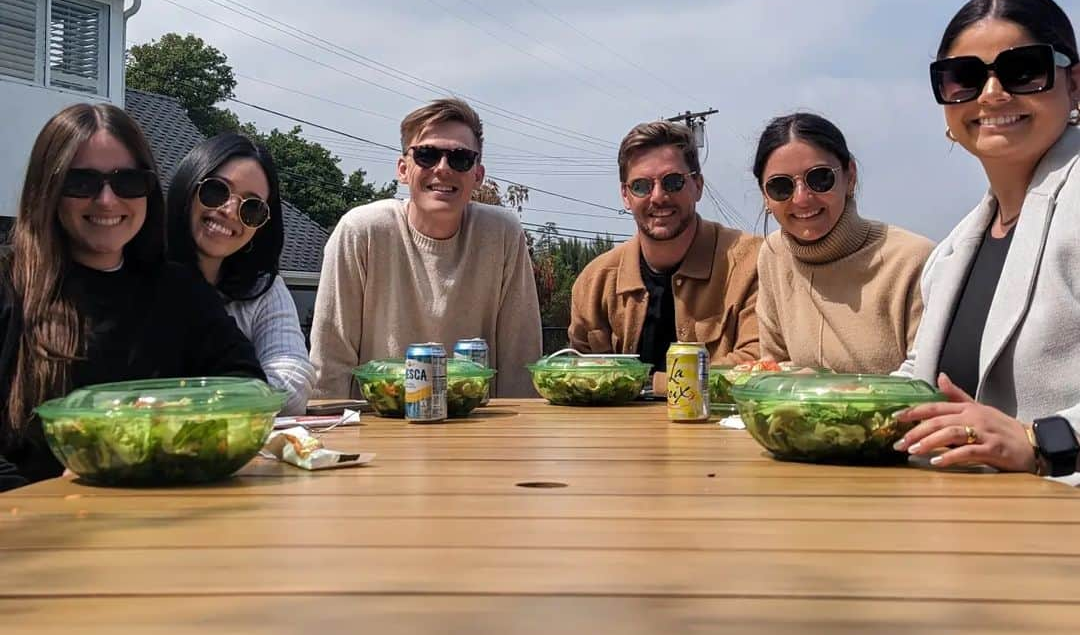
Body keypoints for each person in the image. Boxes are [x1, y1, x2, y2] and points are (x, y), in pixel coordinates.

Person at [0, 103, 264, 489]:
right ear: (48, 189)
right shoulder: (9, 287)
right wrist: (48, 499)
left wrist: (163, 439)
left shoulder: (180, 292)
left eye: (127, 182)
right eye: (82, 182)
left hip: (172, 522)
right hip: (41, 536)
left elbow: (245, 386)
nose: (107, 200)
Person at [896, 0, 1080, 478]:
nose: (993, 94)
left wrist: (1041, 440)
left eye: (1024, 71)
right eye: (965, 78)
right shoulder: (954, 250)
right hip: (971, 530)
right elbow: (919, 380)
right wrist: (825, 396)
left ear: (1075, 84)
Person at [310, 97, 542, 398]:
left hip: (480, 429)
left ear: (478, 176)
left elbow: (519, 359)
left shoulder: (502, 234)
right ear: (403, 169)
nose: (443, 168)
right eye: (427, 155)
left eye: (460, 158)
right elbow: (330, 360)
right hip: (376, 427)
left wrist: (518, 437)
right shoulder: (362, 231)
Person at [569, 120, 761, 373]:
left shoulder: (752, 263)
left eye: (672, 181)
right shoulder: (594, 283)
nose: (658, 196)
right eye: (641, 186)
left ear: (698, 186)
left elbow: (758, 362)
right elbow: (580, 377)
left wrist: (651, 385)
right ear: (625, 196)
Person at [753, 112, 933, 373]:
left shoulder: (914, 260)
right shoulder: (773, 255)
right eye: (781, 187)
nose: (802, 198)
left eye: (820, 178)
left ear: (850, 177)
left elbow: (924, 377)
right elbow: (773, 368)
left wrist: (825, 391)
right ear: (765, 197)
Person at [166, 133, 314, 415]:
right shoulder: (138, 273)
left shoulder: (263, 287)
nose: (231, 211)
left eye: (252, 207)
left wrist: (204, 405)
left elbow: (294, 382)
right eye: (217, 191)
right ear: (188, 185)